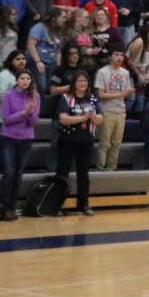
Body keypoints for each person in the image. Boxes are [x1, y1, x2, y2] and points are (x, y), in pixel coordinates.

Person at [56, 70, 101, 216]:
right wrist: (82, 118)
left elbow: (100, 120)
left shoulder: (93, 99)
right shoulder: (66, 98)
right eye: (80, 81)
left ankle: (83, 205)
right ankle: (57, 205)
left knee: (84, 174)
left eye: (85, 81)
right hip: (67, 140)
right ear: (74, 83)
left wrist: (92, 116)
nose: (83, 83)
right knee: (63, 173)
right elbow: (63, 119)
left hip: (86, 140)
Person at [0, 64, 39, 219]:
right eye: (22, 78)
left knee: (18, 174)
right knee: (9, 173)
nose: (25, 81)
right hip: (8, 138)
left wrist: (30, 114)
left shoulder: (35, 97)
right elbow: (6, 119)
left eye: (28, 78)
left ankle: (11, 207)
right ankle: (2, 206)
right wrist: (23, 113)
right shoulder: (8, 95)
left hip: (26, 139)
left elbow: (33, 122)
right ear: (17, 80)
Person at [93, 48, 134, 171]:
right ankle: (100, 168)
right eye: (116, 54)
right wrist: (122, 94)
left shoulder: (125, 73)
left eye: (121, 54)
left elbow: (125, 93)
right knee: (105, 143)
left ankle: (112, 168)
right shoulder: (102, 72)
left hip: (121, 111)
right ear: (110, 57)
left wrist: (125, 93)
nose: (120, 57)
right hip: (107, 110)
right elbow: (101, 94)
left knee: (117, 143)